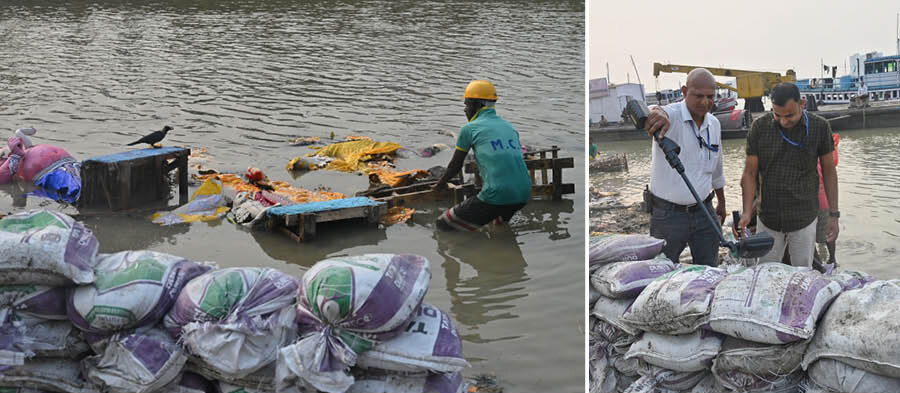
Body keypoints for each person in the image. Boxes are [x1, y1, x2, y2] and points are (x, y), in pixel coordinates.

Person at [736, 83, 839, 267]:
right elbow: (750, 173)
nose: (783, 121)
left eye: (789, 115)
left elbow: (830, 172)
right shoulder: (759, 128)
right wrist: (746, 211)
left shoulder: (820, 127)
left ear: (802, 103)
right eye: (777, 115)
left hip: (804, 217)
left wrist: (834, 214)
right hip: (768, 217)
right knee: (766, 269)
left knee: (802, 272)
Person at [642, 68, 726, 266]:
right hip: (667, 216)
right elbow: (655, 111)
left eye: (710, 97)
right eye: (698, 96)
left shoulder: (714, 124)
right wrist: (657, 114)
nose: (705, 102)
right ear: (684, 91)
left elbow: (717, 169)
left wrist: (721, 203)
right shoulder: (670, 117)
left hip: (704, 210)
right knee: (661, 269)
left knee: (709, 270)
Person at [433, 80, 531, 231]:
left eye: (466, 105)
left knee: (443, 224)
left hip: (497, 194)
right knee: (497, 226)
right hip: (523, 193)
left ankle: (463, 252)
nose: (465, 110)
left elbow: (455, 165)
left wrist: (439, 186)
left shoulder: (469, 129)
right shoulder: (509, 127)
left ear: (476, 105)